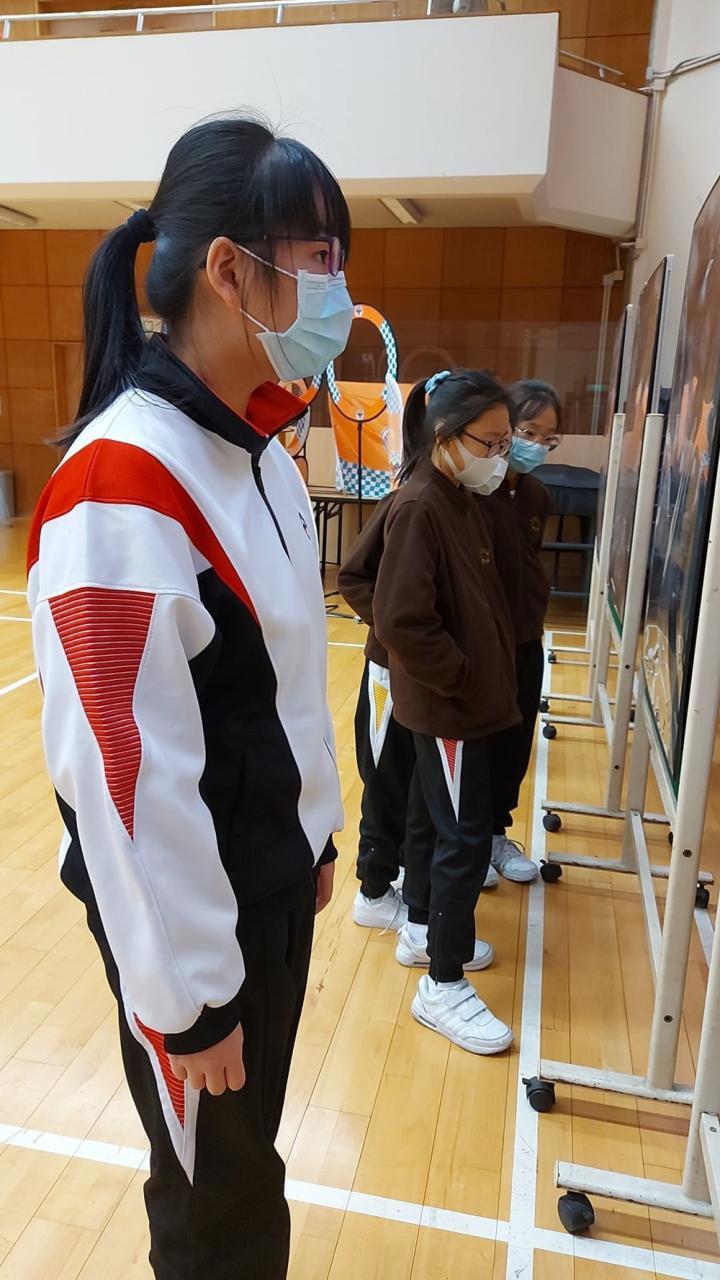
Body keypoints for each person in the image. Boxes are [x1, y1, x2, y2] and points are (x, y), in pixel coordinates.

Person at [27, 116, 353, 1280]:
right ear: (228, 269)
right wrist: (190, 1001)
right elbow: (126, 783)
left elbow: (280, 679)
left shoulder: (258, 449)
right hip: (191, 925)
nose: (338, 287)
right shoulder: (120, 484)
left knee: (246, 1165)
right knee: (219, 1213)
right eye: (320, 256)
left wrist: (313, 832)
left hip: (267, 884)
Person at [372, 369, 518, 1055]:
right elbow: (402, 618)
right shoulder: (421, 505)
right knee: (463, 839)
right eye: (490, 443)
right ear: (446, 436)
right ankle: (444, 982)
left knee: (439, 826)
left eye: (505, 443)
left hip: (464, 706)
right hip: (451, 710)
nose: (500, 457)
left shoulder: (456, 497)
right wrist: (459, 679)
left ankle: (427, 929)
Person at [486, 379, 561, 882]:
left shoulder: (536, 495)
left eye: (548, 438)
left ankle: (495, 834)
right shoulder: (475, 488)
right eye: (529, 432)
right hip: (481, 642)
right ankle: (465, 839)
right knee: (476, 744)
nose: (536, 445)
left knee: (515, 741)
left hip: (525, 638)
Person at [337, 495, 415, 930]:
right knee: (384, 774)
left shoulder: (461, 501)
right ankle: (373, 888)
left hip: (425, 674)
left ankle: (399, 865)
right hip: (388, 670)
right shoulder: (406, 501)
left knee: (410, 776)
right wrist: (392, 628)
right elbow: (352, 577)